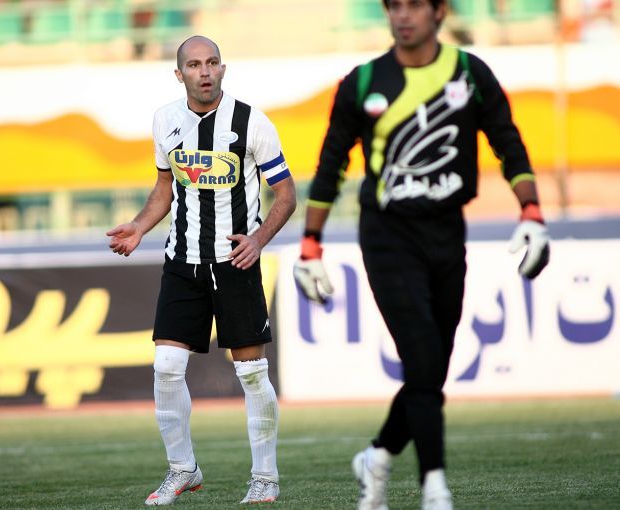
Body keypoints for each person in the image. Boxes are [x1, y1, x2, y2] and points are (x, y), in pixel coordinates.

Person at [292, 1, 550, 509]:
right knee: (423, 358)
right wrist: (310, 244)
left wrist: (532, 211)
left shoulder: (470, 73)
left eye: (415, 5)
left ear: (439, 12)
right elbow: (330, 166)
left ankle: (377, 456)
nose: (403, 16)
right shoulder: (363, 82)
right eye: (395, 6)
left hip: (447, 231)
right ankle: (435, 488)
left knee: (430, 368)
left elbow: (508, 142)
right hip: (387, 236)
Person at [106, 35, 296, 506]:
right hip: (182, 263)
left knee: (252, 373)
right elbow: (163, 190)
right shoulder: (165, 120)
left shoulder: (251, 121)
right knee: (167, 367)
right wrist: (139, 226)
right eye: (194, 65)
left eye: (212, 62)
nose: (204, 71)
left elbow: (286, 194)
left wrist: (257, 239)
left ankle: (266, 477)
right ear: (179, 74)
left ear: (223, 69)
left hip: (235, 263)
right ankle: (183, 469)